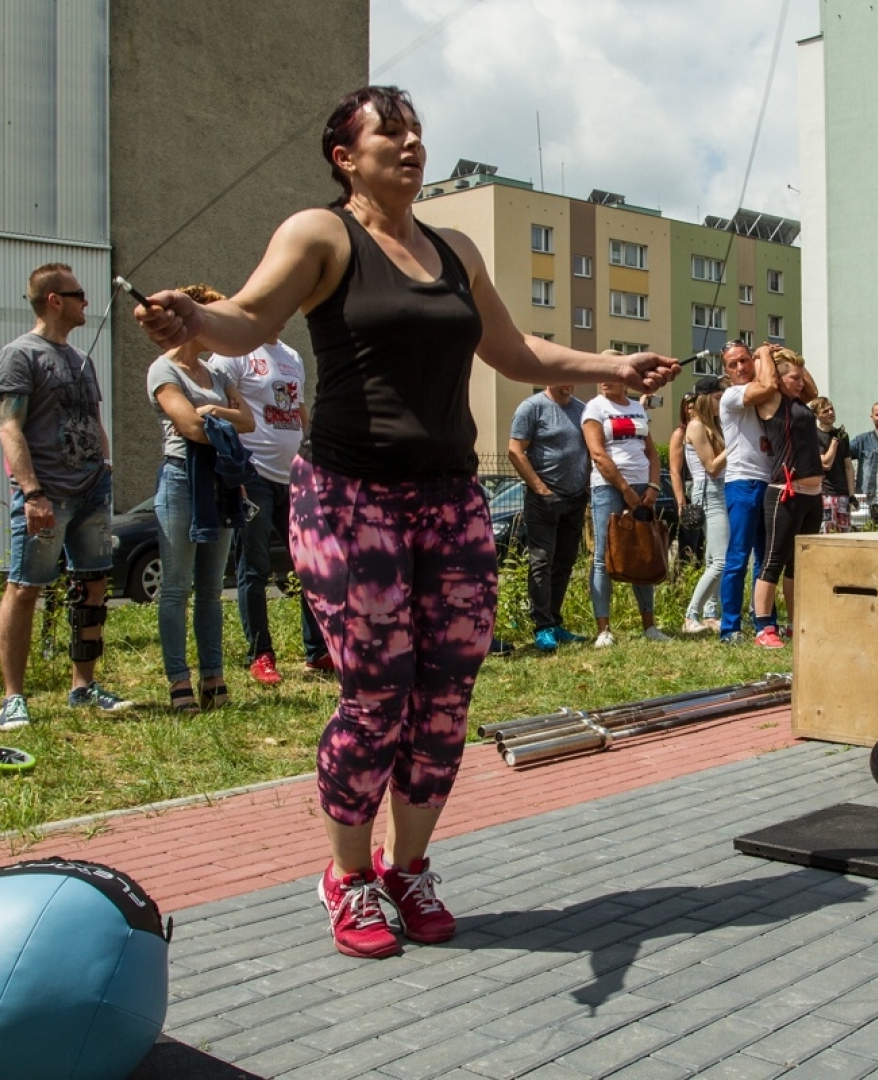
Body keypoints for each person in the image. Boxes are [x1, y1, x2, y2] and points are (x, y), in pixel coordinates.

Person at [132, 85, 677, 959]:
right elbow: (247, 318)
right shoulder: (320, 235)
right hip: (349, 496)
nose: (413, 143)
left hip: (450, 497)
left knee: (446, 695)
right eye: (392, 132)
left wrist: (614, 362)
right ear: (346, 156)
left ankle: (407, 868)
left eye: (418, 130)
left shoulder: (455, 248)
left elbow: (515, 350)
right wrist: (193, 318)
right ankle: (346, 878)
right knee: (377, 688)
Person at [0, 263, 135, 731]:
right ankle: (13, 698)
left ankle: (83, 686)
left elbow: (93, 421)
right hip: (47, 495)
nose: (86, 302)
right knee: (25, 586)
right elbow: (10, 427)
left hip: (92, 492)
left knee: (93, 585)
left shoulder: (81, 360)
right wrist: (32, 493)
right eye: (78, 294)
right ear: (54, 300)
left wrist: (106, 468)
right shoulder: (20, 355)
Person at [147, 284, 257, 714]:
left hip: (219, 482)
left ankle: (214, 677)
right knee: (176, 588)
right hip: (181, 480)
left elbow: (246, 419)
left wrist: (214, 412)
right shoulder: (164, 370)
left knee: (212, 589)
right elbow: (189, 427)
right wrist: (209, 417)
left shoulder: (219, 373)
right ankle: (179, 681)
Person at [207, 332, 331, 684]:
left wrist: (312, 452)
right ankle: (260, 654)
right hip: (254, 474)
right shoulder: (233, 352)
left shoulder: (291, 354)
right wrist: (231, 466)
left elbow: (298, 409)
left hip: (292, 476)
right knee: (255, 567)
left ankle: (317, 651)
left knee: (310, 565)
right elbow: (216, 405)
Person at [583, 369, 672, 648]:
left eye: (611, 374)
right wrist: (625, 490)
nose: (604, 380)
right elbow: (598, 454)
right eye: (601, 375)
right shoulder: (594, 407)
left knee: (643, 551)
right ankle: (604, 630)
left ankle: (650, 626)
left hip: (643, 486)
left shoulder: (636, 407)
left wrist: (654, 487)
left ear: (624, 379)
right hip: (609, 487)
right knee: (602, 555)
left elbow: (651, 452)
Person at [743, 346, 822, 649]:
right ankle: (764, 627)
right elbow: (768, 382)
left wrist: (796, 362)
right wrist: (764, 352)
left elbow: (812, 390)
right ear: (779, 378)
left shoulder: (799, 402)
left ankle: (793, 623)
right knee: (773, 561)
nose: (800, 383)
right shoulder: (772, 400)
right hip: (785, 493)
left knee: (798, 564)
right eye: (793, 378)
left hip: (813, 495)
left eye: (800, 377)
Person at [508, 384, 591, 652]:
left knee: (564, 562)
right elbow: (515, 451)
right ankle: (542, 627)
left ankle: (555, 622)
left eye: (571, 377)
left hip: (575, 498)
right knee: (541, 561)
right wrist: (541, 489)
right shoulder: (532, 408)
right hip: (543, 499)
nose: (568, 382)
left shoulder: (581, 409)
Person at [717, 340, 775, 641]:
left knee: (766, 559)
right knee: (738, 556)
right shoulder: (731, 395)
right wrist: (765, 355)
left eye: (744, 361)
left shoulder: (760, 386)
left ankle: (765, 622)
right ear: (726, 371)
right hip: (742, 481)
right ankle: (730, 627)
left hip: (769, 480)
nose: (740, 368)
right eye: (733, 364)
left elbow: (809, 392)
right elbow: (766, 389)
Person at [682, 378, 729, 634]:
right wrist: (734, 444)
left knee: (714, 558)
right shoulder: (696, 426)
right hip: (708, 491)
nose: (721, 403)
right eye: (718, 398)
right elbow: (711, 467)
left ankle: (711, 614)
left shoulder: (714, 425)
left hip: (720, 490)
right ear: (705, 398)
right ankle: (691, 615)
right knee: (721, 561)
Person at [668, 392, 705, 564]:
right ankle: (681, 582)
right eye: (688, 406)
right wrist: (681, 501)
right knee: (689, 542)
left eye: (694, 405)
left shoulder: (707, 430)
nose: (691, 410)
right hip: (689, 490)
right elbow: (675, 471)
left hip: (707, 488)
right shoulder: (680, 434)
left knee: (702, 544)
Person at [813, 396, 855, 533]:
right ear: (817, 415)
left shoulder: (843, 435)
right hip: (825, 492)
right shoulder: (814, 435)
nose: (831, 413)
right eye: (825, 411)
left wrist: (852, 494)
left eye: (832, 409)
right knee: (826, 532)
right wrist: (835, 442)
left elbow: (848, 466)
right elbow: (825, 463)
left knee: (845, 532)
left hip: (842, 493)